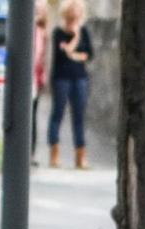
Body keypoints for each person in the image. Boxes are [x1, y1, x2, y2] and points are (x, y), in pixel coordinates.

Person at [47, 0, 94, 170]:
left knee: (79, 115)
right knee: (57, 113)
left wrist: (73, 53)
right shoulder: (58, 32)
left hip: (79, 77)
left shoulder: (85, 31)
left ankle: (80, 155)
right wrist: (74, 38)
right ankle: (54, 153)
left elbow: (89, 54)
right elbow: (63, 55)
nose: (75, 14)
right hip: (61, 78)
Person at [32, 2, 50, 165]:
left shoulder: (43, 33)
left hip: (35, 79)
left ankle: (30, 152)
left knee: (33, 116)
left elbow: (42, 58)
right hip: (30, 78)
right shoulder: (30, 31)